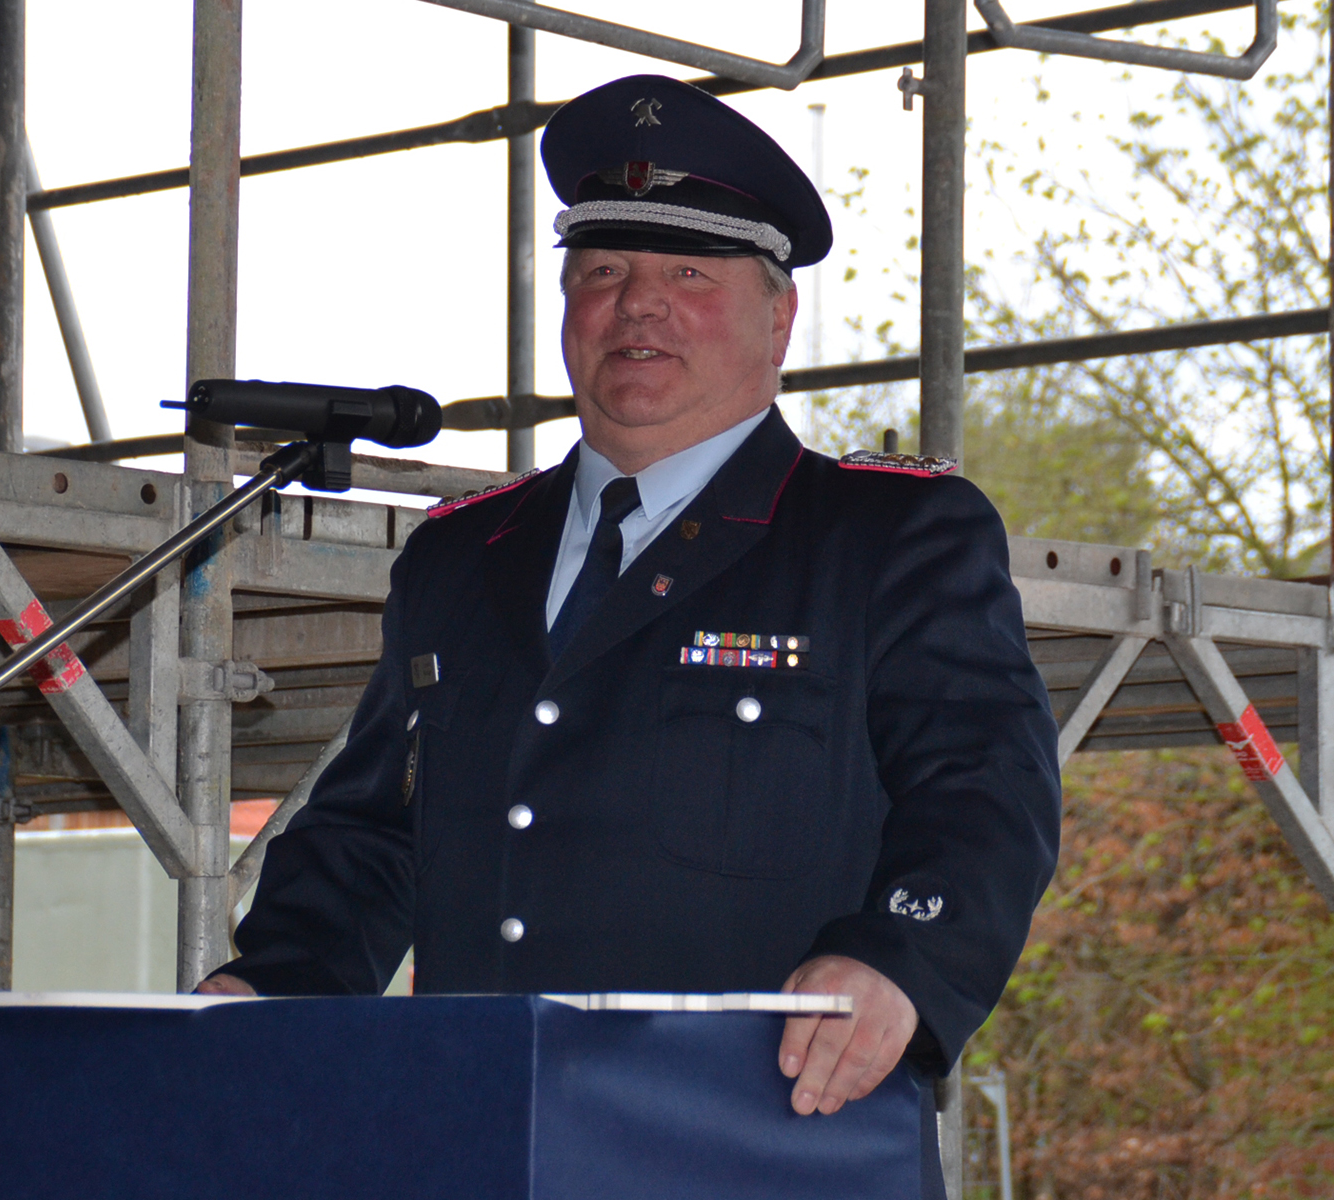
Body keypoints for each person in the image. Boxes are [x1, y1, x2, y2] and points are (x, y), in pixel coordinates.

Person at [201, 72, 1060, 1151]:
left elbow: (987, 790)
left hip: (762, 1140)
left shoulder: (885, 538)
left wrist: (901, 958)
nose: (638, 304)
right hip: (489, 1134)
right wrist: (268, 983)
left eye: (688, 273)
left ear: (779, 316)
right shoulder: (461, 557)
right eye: (603, 271)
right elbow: (376, 834)